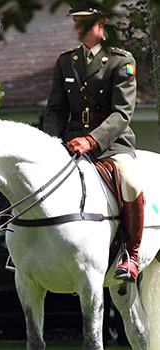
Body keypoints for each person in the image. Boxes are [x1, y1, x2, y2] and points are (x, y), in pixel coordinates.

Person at [43, 3, 141, 281]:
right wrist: (50, 143)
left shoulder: (122, 60)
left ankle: (130, 254)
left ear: (102, 24)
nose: (78, 28)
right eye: (76, 22)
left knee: (131, 183)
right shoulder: (66, 61)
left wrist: (92, 140)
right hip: (70, 141)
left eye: (84, 22)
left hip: (111, 143)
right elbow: (55, 109)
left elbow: (122, 113)